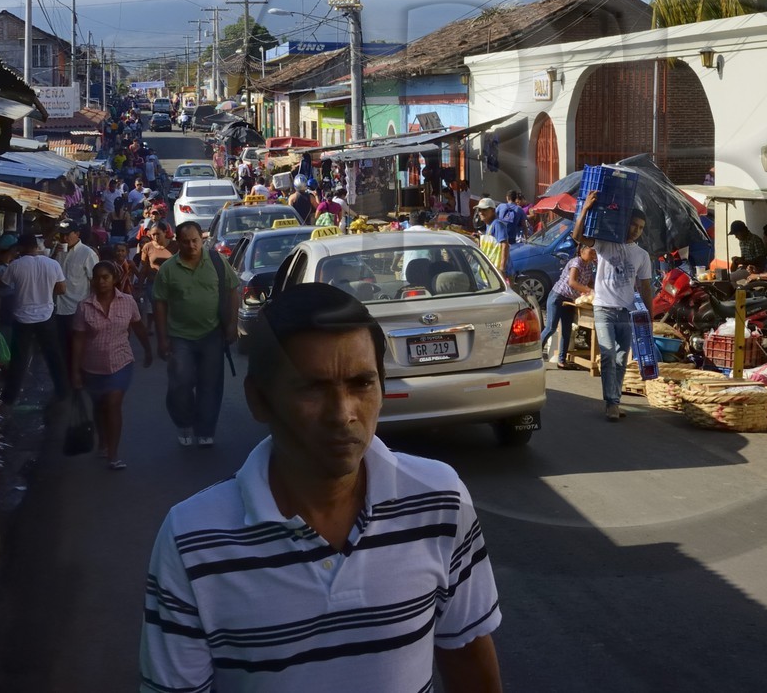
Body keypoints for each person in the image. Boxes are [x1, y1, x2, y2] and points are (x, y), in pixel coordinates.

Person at [140, 283, 503, 691]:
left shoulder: (441, 500)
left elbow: (468, 657)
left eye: (361, 384)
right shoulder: (192, 539)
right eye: (312, 388)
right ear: (259, 400)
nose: (343, 414)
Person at [152, 221, 241, 448]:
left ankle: (205, 430)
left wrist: (232, 325)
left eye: (195, 241)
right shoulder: (168, 269)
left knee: (210, 385)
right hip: (180, 337)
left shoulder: (217, 262)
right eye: (186, 242)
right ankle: (184, 422)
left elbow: (233, 291)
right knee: (180, 384)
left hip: (212, 334)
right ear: (178, 242)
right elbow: (160, 303)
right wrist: (162, 339)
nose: (191, 245)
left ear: (202, 239)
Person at [572, 190, 654, 422]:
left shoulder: (642, 255)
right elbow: (578, 236)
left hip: (626, 312)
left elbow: (645, 287)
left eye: (641, 227)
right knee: (607, 354)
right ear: (625, 223)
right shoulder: (605, 244)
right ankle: (611, 403)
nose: (636, 230)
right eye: (633, 225)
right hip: (603, 309)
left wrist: (649, 317)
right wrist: (585, 209)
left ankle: (614, 400)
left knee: (620, 359)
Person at [72, 262, 153, 470]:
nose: (101, 281)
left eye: (105, 277)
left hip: (121, 362)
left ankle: (113, 454)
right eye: (97, 277)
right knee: (99, 406)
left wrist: (148, 350)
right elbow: (78, 340)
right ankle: (103, 441)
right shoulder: (84, 307)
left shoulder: (127, 302)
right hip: (92, 366)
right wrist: (75, 371)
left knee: (113, 404)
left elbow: (138, 326)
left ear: (114, 279)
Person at [2, 234, 68, 405]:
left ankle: (9, 397)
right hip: (46, 316)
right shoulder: (52, 264)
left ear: (20, 248)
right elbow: (62, 289)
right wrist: (46, 291)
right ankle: (63, 392)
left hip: (22, 318)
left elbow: (3, 284)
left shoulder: (15, 265)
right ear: (36, 246)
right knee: (53, 355)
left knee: (19, 359)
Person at [54, 221, 100, 378]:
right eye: (62, 235)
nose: (64, 238)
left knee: (78, 348)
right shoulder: (58, 251)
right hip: (58, 309)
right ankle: (66, 380)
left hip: (77, 309)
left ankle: (79, 377)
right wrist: (53, 254)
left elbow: (95, 282)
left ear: (77, 234)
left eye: (67, 234)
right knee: (62, 349)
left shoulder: (87, 253)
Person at [541, 245, 596, 368]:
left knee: (567, 331)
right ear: (582, 251)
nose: (593, 255)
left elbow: (590, 282)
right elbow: (572, 282)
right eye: (591, 252)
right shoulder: (576, 262)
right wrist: (589, 290)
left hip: (570, 300)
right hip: (558, 296)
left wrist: (593, 289)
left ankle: (562, 360)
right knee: (551, 328)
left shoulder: (589, 266)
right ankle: (534, 356)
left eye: (594, 253)